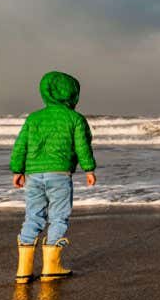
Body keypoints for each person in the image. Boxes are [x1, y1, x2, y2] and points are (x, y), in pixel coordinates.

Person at [9, 70, 97, 283]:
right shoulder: (75, 118)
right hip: (59, 174)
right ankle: (51, 267)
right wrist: (89, 169)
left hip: (33, 174)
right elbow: (82, 145)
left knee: (33, 216)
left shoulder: (34, 118)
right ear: (73, 93)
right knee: (58, 216)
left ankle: (24, 271)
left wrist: (17, 170)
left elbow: (21, 145)